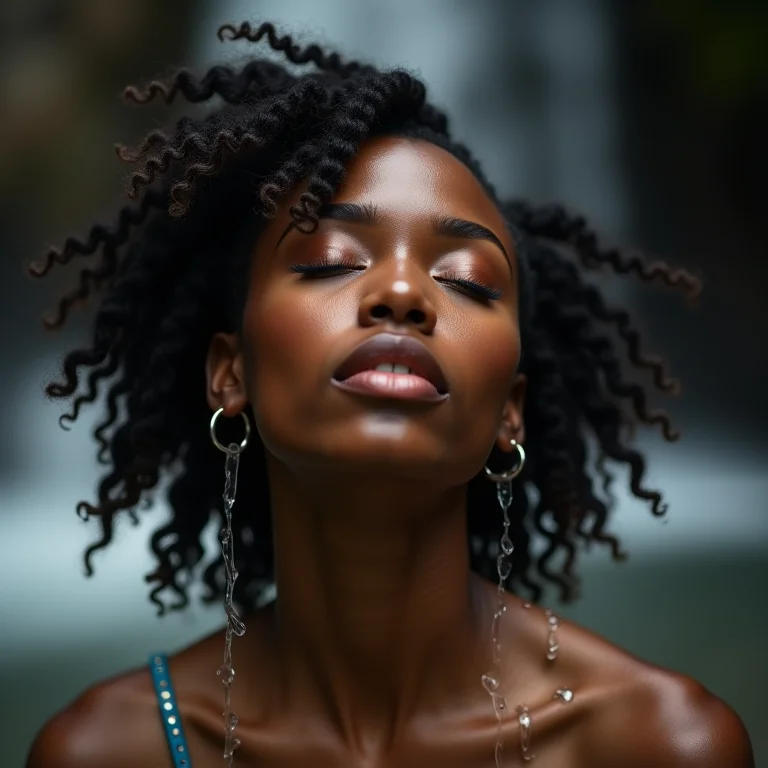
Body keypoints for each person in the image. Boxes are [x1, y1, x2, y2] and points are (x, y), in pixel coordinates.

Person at [25, 21, 753, 768]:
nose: (402, 292)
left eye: (467, 281)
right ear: (229, 373)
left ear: (511, 412)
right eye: (331, 260)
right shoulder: (109, 751)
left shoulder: (656, 744)